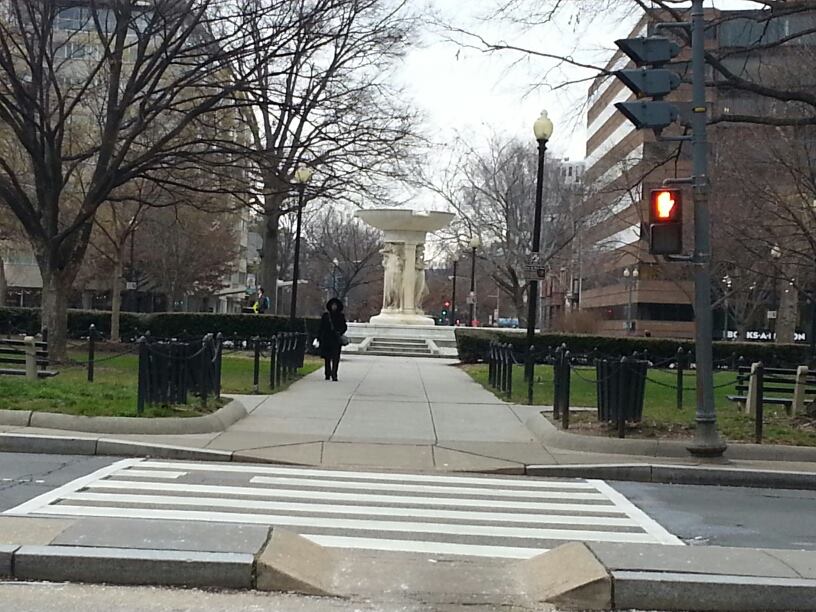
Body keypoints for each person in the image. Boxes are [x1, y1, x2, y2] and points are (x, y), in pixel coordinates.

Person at [317, 298, 347, 381]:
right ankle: (327, 373)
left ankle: (334, 374)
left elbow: (344, 327)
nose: (334, 307)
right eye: (332, 305)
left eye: (335, 305)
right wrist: (319, 337)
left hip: (336, 339)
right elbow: (321, 327)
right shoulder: (326, 316)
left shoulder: (340, 316)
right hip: (326, 339)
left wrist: (339, 332)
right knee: (327, 358)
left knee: (336, 357)